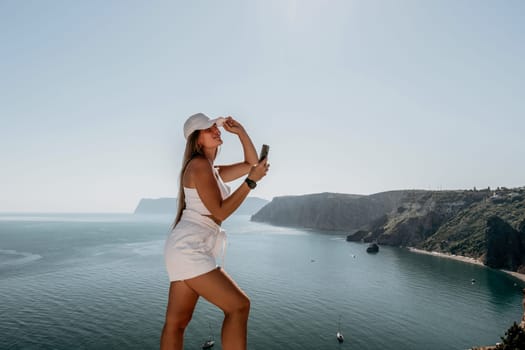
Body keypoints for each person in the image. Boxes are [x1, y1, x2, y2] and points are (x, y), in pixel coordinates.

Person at [161, 113, 269, 350]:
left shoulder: (212, 169)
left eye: (214, 126)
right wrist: (250, 182)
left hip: (187, 245)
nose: (215, 130)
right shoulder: (199, 166)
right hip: (189, 248)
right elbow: (220, 213)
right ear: (197, 140)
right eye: (208, 129)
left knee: (177, 323)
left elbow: (251, 163)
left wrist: (240, 131)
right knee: (238, 306)